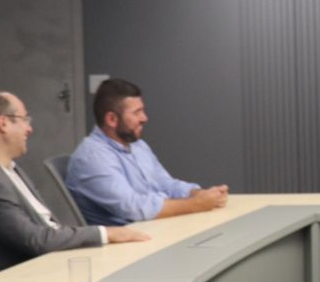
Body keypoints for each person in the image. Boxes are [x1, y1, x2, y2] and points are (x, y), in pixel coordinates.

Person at [0, 90, 148, 273]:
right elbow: (36, 240)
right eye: (25, 119)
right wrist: (106, 233)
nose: (29, 128)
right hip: (29, 274)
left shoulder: (7, 168)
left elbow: (46, 228)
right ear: (3, 123)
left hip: (50, 259)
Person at [66, 79, 228, 227]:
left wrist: (199, 194)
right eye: (136, 112)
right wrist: (195, 204)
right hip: (127, 241)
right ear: (112, 120)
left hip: (155, 228)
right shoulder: (92, 157)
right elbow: (133, 208)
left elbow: (166, 184)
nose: (144, 118)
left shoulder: (138, 146)